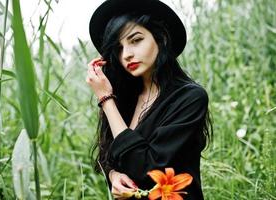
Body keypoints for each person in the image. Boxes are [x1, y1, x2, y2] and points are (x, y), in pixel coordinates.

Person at [86, 0, 212, 199]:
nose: (126, 54)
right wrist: (113, 175)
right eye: (118, 48)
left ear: (161, 38)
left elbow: (148, 169)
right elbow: (109, 154)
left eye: (135, 40)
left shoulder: (189, 98)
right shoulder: (125, 96)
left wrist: (105, 99)